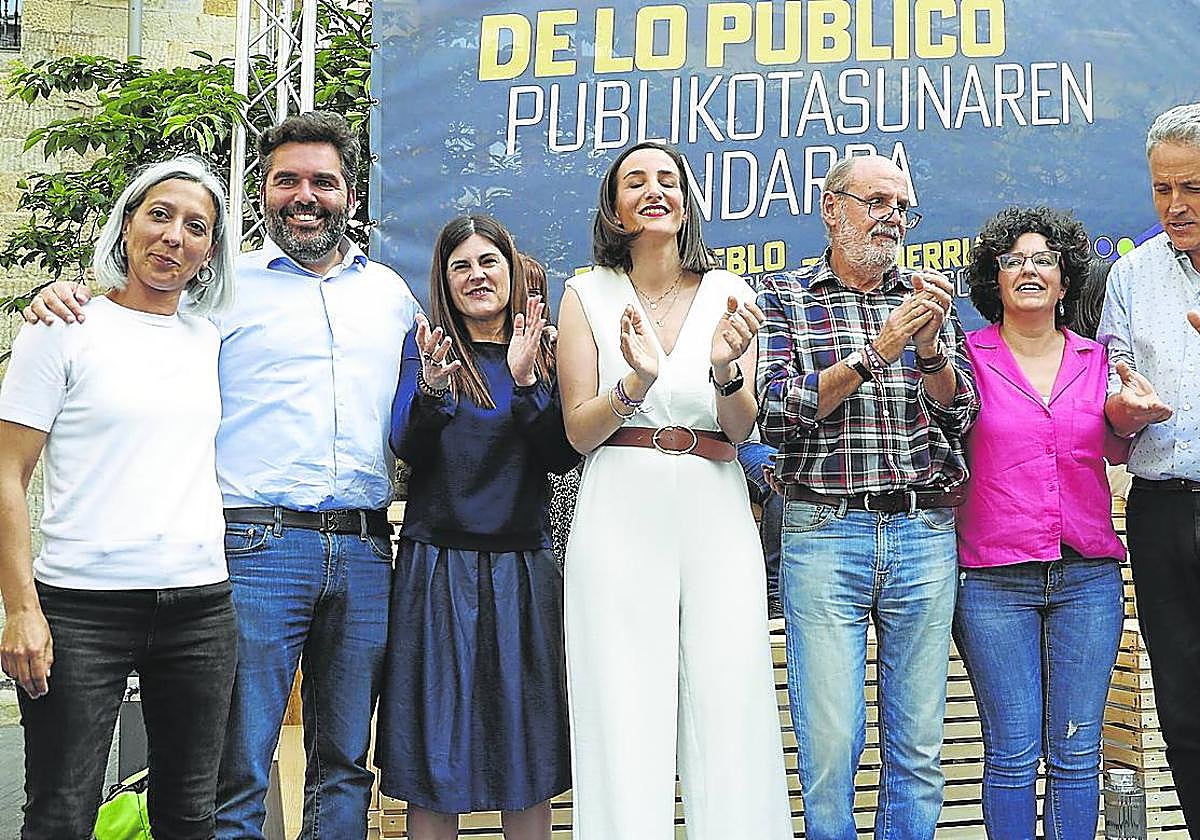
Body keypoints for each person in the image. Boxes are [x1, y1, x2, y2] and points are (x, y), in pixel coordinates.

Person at [24, 111, 422, 839]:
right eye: (286, 180)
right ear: (262, 193)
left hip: (367, 551)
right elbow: (133, 321)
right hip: (254, 549)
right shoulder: (220, 298)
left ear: (352, 195)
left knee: (345, 766)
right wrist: (61, 294)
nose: (305, 195)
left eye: (323, 182)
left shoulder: (392, 295)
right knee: (235, 769)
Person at [557, 140, 793, 839]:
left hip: (715, 499)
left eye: (668, 180)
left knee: (730, 696)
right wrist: (635, 383)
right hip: (619, 501)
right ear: (614, 205)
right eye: (636, 181)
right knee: (621, 701)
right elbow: (577, 431)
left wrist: (724, 368)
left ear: (686, 201)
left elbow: (741, 422)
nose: (654, 190)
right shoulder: (584, 293)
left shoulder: (731, 294)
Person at [0, 156, 238, 839]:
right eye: (159, 215)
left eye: (196, 227)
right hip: (81, 609)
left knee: (190, 815)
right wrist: (20, 609)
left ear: (209, 254)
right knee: (61, 814)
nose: (173, 237)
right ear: (127, 224)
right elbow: (7, 474)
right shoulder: (60, 327)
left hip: (199, 609)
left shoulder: (211, 338)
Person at [758, 153, 979, 839]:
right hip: (824, 531)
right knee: (830, 747)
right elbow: (775, 412)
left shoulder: (928, 296)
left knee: (917, 752)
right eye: (877, 201)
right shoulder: (782, 296)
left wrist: (934, 351)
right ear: (832, 208)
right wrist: (876, 353)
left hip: (922, 533)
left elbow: (961, 415)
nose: (892, 217)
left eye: (903, 206)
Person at [378, 215, 576, 839]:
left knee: (525, 745)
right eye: (460, 265)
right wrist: (434, 388)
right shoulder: (428, 348)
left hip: (521, 565)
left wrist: (525, 383)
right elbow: (405, 443)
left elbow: (561, 455)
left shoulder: (541, 346)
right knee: (433, 749)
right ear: (444, 279)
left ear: (511, 270)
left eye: (488, 262)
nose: (476, 276)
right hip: (436, 566)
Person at [956, 206, 1128, 839]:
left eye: (1043, 259)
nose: (1028, 269)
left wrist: (1133, 417)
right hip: (995, 580)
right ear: (992, 280)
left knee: (1078, 755)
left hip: (1087, 577)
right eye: (1013, 260)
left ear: (1065, 278)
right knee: (1011, 755)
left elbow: (1124, 442)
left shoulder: (1102, 360)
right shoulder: (963, 359)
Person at [1098, 101, 1200, 832]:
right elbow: (1112, 389)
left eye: (1192, 187)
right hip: (1161, 507)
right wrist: (1124, 411)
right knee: (1186, 705)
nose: (1175, 205)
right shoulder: (1130, 276)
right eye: (1162, 189)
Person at [519, 251, 578, 565]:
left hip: (559, 484)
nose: (529, 302)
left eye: (535, 293)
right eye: (521, 293)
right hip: (513, 482)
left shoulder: (556, 347)